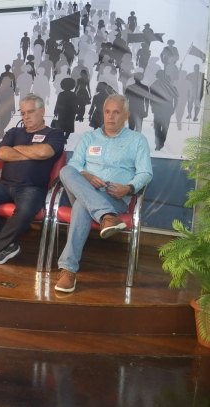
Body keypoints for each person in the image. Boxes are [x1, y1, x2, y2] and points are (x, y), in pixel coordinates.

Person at [54, 94, 153, 293]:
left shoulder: (137, 140)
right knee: (66, 170)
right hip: (85, 188)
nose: (111, 117)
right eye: (107, 112)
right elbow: (74, 165)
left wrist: (129, 188)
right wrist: (86, 175)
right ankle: (106, 216)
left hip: (114, 196)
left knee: (82, 206)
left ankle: (68, 270)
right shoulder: (89, 137)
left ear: (126, 115)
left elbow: (145, 172)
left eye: (116, 112)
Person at [0, 94, 64, 264]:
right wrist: (32, 153)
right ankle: (8, 245)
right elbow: (1, 153)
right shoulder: (14, 132)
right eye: (23, 113)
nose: (26, 117)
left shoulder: (54, 134)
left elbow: (44, 152)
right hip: (4, 185)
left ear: (42, 111)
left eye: (31, 112)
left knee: (25, 211)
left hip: (32, 187)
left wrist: (17, 150)